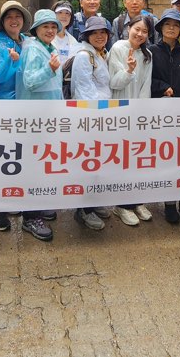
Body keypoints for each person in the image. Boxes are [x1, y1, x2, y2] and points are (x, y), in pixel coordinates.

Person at [13, 9, 67, 242]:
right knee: (32, 166)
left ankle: (39, 204)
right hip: (33, 119)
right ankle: (30, 216)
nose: (50, 30)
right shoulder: (32, 49)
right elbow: (30, 82)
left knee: (42, 163)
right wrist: (49, 69)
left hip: (47, 117)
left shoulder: (49, 48)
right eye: (46, 26)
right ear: (36, 29)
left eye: (54, 26)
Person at [0, 0, 34, 233]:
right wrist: (10, 60)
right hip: (4, 108)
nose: (14, 20)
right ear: (3, 21)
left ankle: (12, 198)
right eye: (10, 17)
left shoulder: (26, 42)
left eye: (18, 16)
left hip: (24, 107)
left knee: (19, 157)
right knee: (2, 158)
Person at [150, 9, 180, 225]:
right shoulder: (151, 51)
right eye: (167, 24)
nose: (171, 28)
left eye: (176, 25)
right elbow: (146, 80)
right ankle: (169, 204)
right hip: (160, 112)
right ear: (161, 28)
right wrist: (162, 86)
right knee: (167, 159)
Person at [69, 15, 115, 230]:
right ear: (86, 35)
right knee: (86, 164)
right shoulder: (83, 56)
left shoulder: (101, 54)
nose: (99, 36)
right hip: (90, 119)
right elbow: (84, 92)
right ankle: (83, 209)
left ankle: (93, 202)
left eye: (103, 32)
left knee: (97, 163)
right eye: (94, 33)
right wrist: (100, 117)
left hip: (102, 117)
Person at [108, 15, 155, 226]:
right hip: (119, 111)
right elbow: (114, 83)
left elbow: (146, 86)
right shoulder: (118, 48)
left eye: (145, 31)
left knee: (137, 157)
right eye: (137, 29)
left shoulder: (147, 55)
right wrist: (128, 71)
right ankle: (121, 205)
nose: (140, 34)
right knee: (121, 159)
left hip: (137, 114)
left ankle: (136, 200)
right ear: (129, 28)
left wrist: (141, 113)